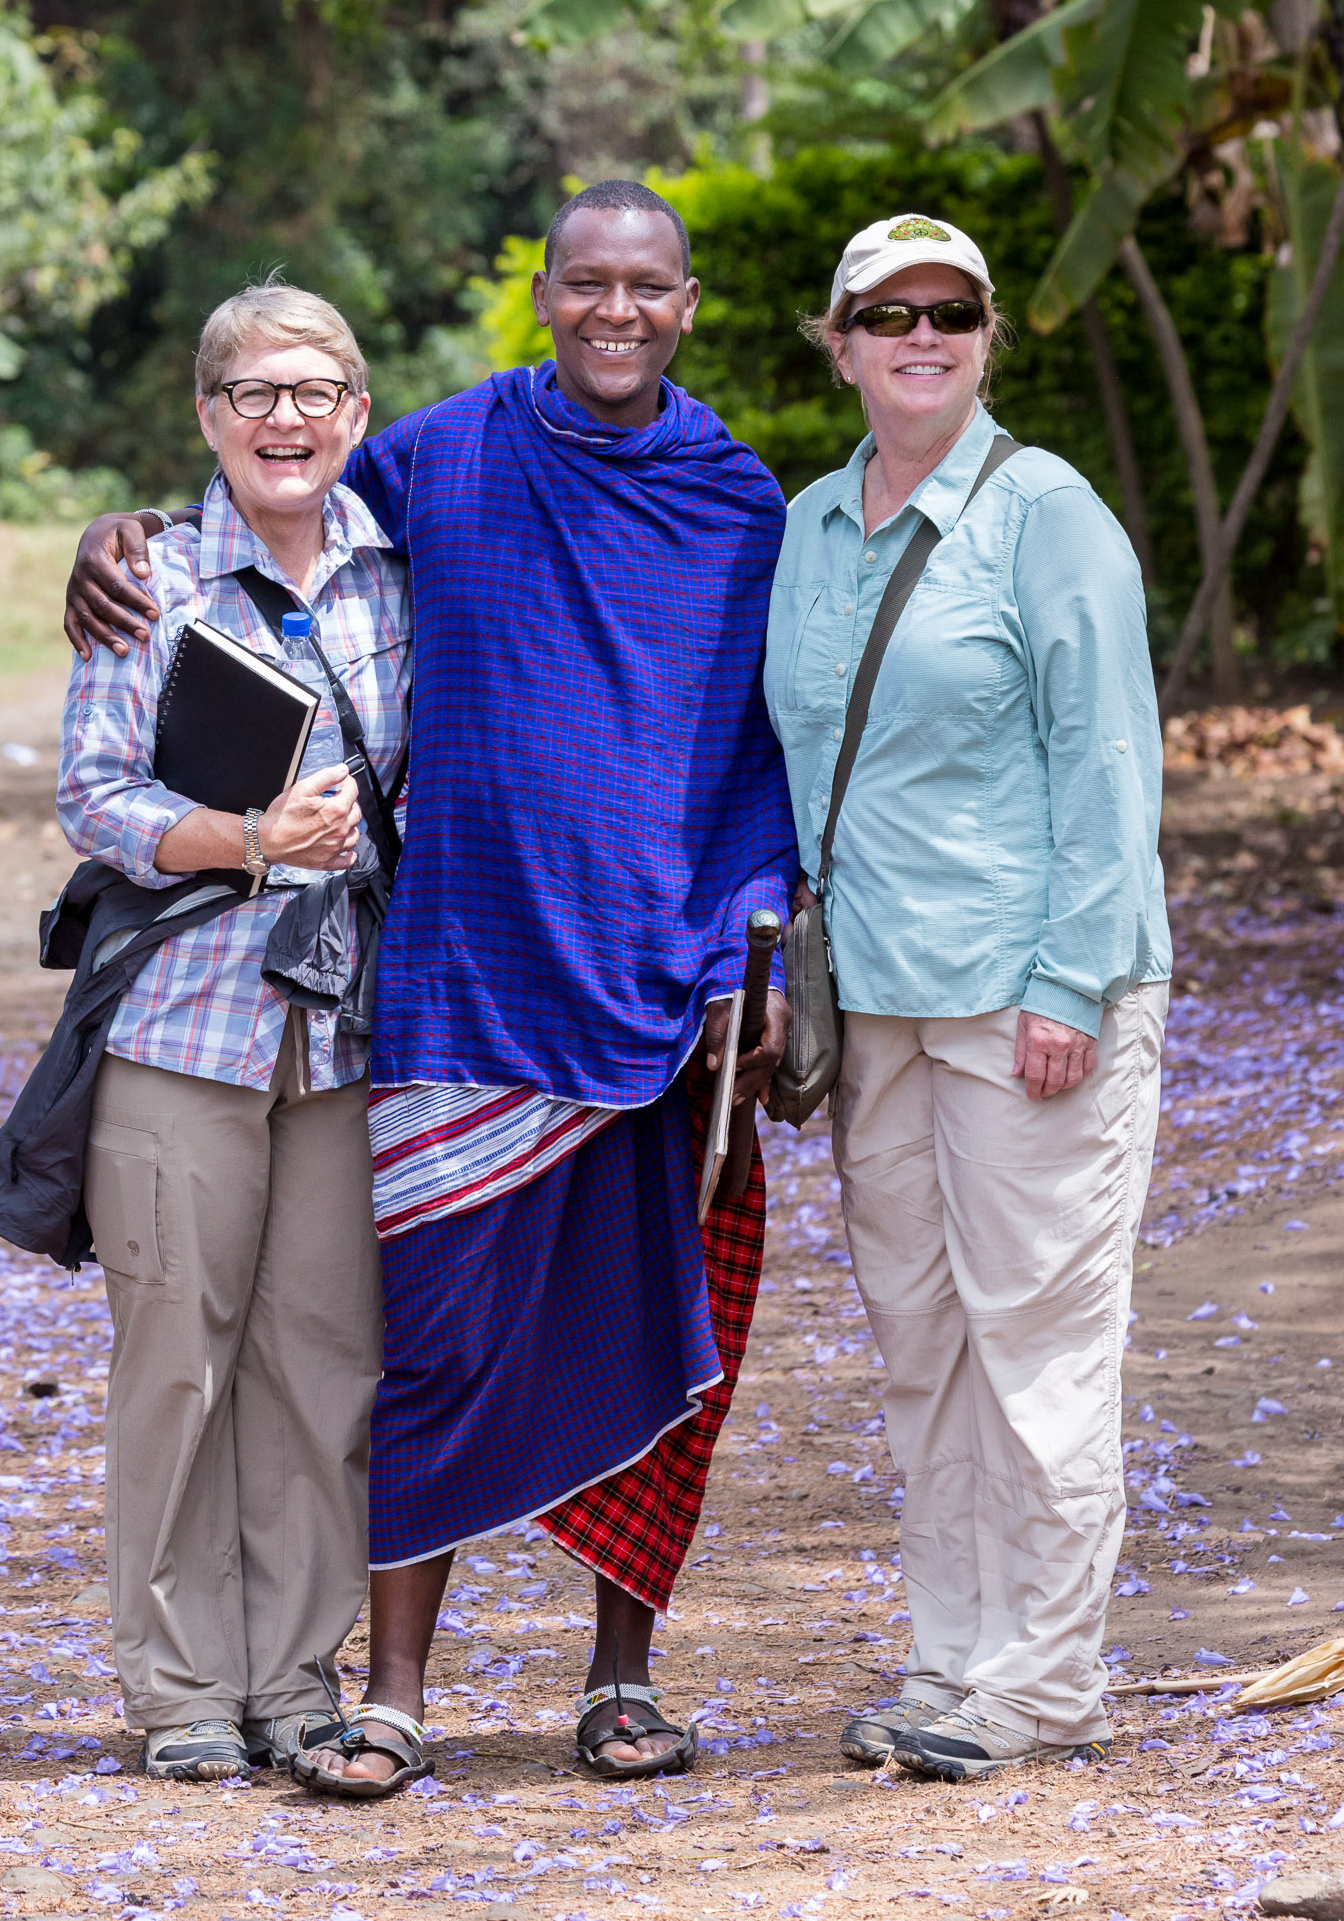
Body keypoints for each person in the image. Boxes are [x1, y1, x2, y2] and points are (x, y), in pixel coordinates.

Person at [63, 180, 798, 1794]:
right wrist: (112, 536)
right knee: (427, 1347)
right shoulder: (445, 460)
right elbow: (267, 507)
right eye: (586, 285)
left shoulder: (744, 506)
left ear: (688, 303)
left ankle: (619, 1680)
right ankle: (381, 1691)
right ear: (542, 295)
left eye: (647, 287)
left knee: (649, 1336)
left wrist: (752, 951)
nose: (617, 311)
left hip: (658, 998)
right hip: (456, 988)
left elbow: (764, 753)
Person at [764, 214, 1169, 1781]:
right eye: (887, 312)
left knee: (1040, 1344)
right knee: (921, 1340)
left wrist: (1071, 979)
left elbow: (1108, 762)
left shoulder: (1046, 514)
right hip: (876, 1007)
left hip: (1028, 1000)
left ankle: (1047, 1680)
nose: (921, 336)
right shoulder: (809, 525)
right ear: (839, 337)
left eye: (953, 311)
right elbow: (793, 764)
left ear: (988, 336)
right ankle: (954, 1659)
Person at [55, 281, 409, 1781]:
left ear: (358, 414)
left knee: (321, 1362)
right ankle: (182, 1687)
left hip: (340, 1041)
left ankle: (295, 1677)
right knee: (177, 1362)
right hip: (184, 1031)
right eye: (253, 394)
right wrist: (246, 836)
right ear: (206, 416)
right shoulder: (152, 576)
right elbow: (94, 793)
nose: (285, 420)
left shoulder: (401, 576)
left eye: (314, 391)